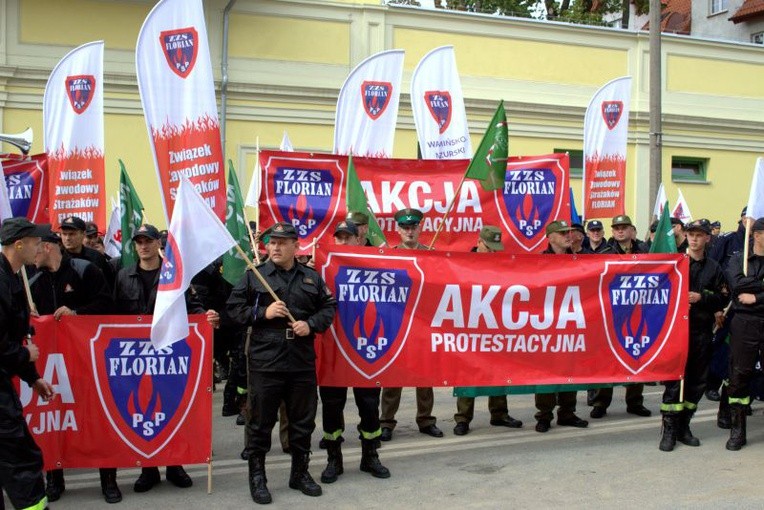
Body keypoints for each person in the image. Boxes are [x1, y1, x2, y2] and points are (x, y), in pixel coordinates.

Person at [227, 222, 337, 504]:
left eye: (281, 242)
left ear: (294, 246)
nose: (274, 247)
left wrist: (310, 324)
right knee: (260, 421)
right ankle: (257, 477)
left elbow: (328, 307)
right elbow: (234, 310)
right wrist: (263, 311)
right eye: (271, 243)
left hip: (300, 358)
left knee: (303, 420)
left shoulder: (310, 277)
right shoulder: (255, 276)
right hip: (266, 358)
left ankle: (299, 473)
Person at [113, 224, 219, 492]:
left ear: (157, 244)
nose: (143, 246)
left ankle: (175, 465)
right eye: (139, 241)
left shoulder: (175, 276)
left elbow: (193, 307)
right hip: (135, 359)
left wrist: (207, 316)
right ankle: (148, 470)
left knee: (171, 408)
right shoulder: (123, 276)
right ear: (134, 245)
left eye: (148, 241)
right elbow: (113, 315)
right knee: (141, 411)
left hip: (170, 355)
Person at [30, 228, 122, 503]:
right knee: (54, 420)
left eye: (35, 247)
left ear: (47, 247)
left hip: (88, 361)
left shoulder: (86, 270)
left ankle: (109, 480)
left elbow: (107, 305)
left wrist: (77, 314)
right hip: (54, 366)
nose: (31, 255)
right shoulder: (33, 280)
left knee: (96, 420)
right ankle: (55, 480)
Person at [319, 221, 390, 484]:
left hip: (365, 350)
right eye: (339, 238)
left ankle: (370, 456)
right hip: (334, 349)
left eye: (348, 237)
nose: (343, 242)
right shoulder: (321, 269)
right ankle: (333, 460)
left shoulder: (376, 265)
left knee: (370, 406)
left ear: (359, 240)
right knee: (331, 408)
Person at [0, 218, 55, 510]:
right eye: (36, 241)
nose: (40, 247)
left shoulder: (13, 277)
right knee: (22, 459)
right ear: (19, 244)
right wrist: (25, 356)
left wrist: (32, 378)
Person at [658, 220, 728, 452]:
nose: (695, 239)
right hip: (676, 332)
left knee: (697, 382)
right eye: (691, 234)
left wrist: (702, 298)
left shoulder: (714, 268)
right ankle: (668, 430)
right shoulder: (675, 263)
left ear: (708, 238)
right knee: (674, 381)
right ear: (685, 236)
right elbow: (658, 293)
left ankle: (684, 426)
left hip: (701, 332)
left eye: (700, 235)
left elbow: (723, 298)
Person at [379, 208, 442, 441]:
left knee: (424, 375)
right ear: (398, 230)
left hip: (423, 323)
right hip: (397, 321)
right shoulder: (389, 256)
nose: (409, 231)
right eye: (405, 227)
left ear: (420, 228)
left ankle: (426, 420)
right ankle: (386, 422)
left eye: (413, 227)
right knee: (393, 376)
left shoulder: (432, 254)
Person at [453, 226, 523, 436]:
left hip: (495, 324)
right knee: (467, 372)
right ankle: (463, 418)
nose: (493, 253)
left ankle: (499, 413)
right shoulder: (462, 263)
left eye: (496, 249)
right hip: (470, 324)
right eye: (489, 248)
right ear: (479, 242)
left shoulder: (501, 265)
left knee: (499, 369)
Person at [589, 215, 651, 419]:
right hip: (610, 311)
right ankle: (600, 402)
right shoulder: (605, 252)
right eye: (616, 228)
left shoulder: (644, 251)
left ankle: (634, 402)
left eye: (624, 227)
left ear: (631, 230)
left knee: (636, 354)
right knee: (606, 359)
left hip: (638, 309)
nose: (620, 231)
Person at [534, 220, 588, 433]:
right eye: (563, 232)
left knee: (570, 369)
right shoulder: (539, 261)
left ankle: (567, 412)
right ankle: (544, 415)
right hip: (546, 324)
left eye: (570, 232)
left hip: (571, 322)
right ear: (550, 237)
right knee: (546, 372)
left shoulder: (579, 260)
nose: (569, 235)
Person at [723, 217, 764, 451]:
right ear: (756, 235)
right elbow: (737, 286)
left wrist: (756, 296)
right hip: (744, 322)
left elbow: (748, 291)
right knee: (739, 374)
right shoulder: (739, 259)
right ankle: (737, 431)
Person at [59, 215, 114, 287]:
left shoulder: (96, 257)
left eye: (72, 234)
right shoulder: (57, 258)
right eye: (64, 234)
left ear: (83, 234)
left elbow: (109, 284)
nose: (67, 238)